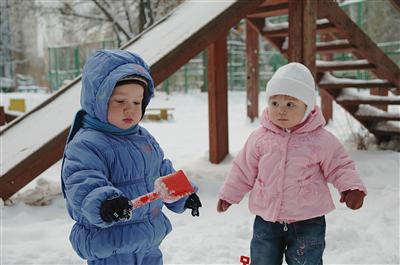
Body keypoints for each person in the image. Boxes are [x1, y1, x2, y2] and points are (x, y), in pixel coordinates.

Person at [61, 49, 202, 265]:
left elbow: (162, 171)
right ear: (98, 101)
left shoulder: (143, 138)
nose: (130, 109)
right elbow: (82, 181)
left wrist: (184, 194)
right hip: (111, 245)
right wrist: (105, 202)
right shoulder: (86, 144)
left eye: (137, 102)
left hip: (148, 240)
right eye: (120, 101)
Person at [217, 62, 367, 264]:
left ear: (307, 107)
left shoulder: (320, 139)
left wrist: (351, 187)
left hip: (308, 220)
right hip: (267, 219)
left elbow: (340, 165)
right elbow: (243, 169)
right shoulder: (260, 138)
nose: (281, 111)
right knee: (262, 260)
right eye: (275, 103)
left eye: (290, 104)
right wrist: (229, 194)